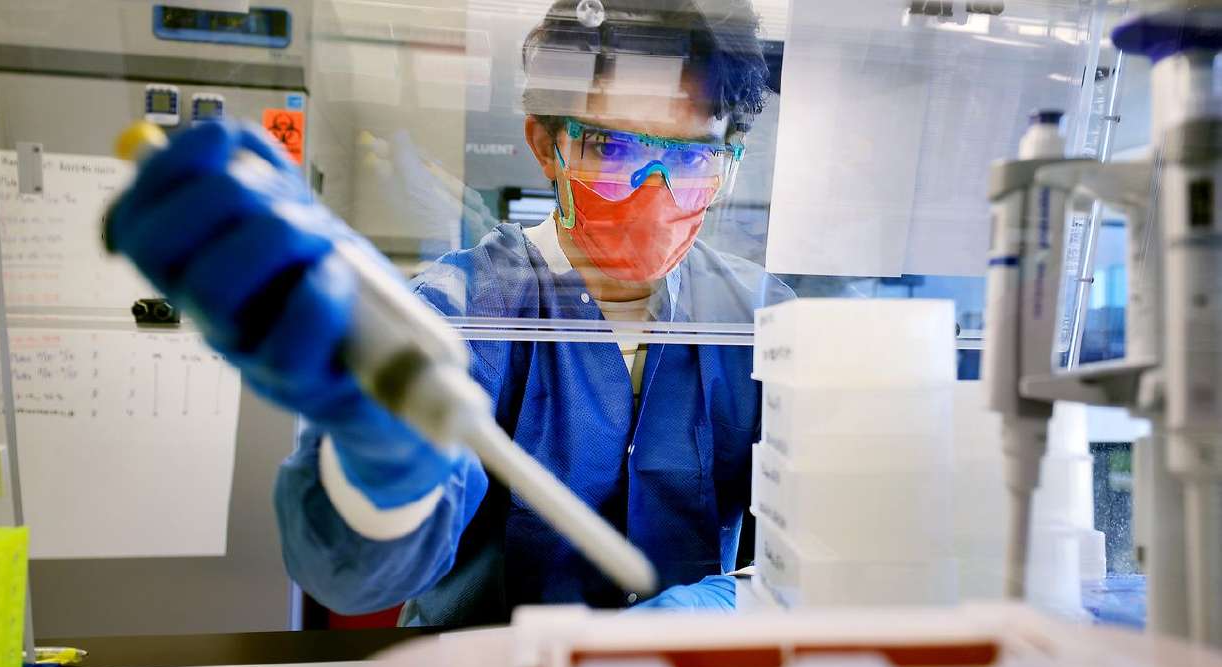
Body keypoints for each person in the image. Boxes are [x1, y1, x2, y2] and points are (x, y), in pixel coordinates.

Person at [107, 0, 792, 627]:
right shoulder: (458, 309)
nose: (655, 191)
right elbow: (352, 575)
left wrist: (732, 603)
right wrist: (384, 458)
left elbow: (817, 546)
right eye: (614, 149)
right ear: (545, 146)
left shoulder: (758, 317)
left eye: (695, 158)